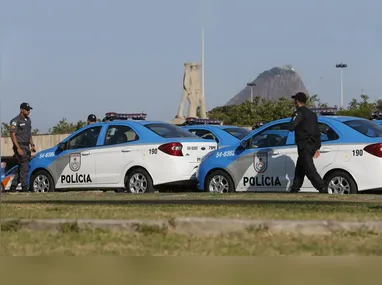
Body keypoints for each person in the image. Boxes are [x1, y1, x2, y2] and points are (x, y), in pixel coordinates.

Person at [288, 92, 328, 193]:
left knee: (309, 169)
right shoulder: (312, 114)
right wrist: (318, 147)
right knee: (300, 168)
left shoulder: (299, 112)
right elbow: (317, 131)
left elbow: (291, 126)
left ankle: (322, 187)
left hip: (304, 145)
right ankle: (295, 188)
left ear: (297, 101)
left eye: (295, 101)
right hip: (312, 144)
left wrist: (293, 117)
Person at [9, 102, 36, 192]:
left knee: (21, 167)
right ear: (21, 110)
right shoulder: (15, 121)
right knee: (24, 167)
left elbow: (29, 133)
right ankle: (25, 187)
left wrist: (32, 145)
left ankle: (13, 186)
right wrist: (18, 148)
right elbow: (12, 135)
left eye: (29, 110)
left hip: (26, 146)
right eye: (27, 110)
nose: (28, 111)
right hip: (20, 145)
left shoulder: (28, 120)